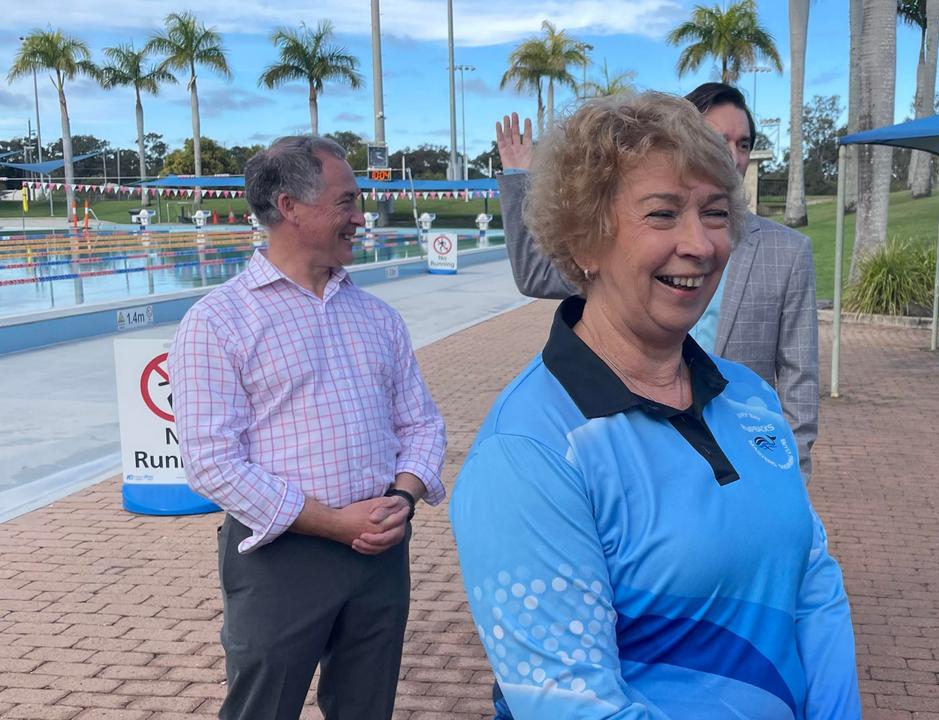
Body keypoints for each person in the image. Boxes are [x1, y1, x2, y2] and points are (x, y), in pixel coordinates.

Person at [452, 93, 859, 719]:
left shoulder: (749, 397)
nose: (700, 244)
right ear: (586, 240)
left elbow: (814, 586)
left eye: (716, 213)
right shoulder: (529, 453)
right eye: (663, 214)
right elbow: (577, 707)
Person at [169, 135, 447, 720]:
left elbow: (421, 423)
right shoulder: (218, 322)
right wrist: (332, 522)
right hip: (282, 557)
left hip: (380, 549)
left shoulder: (377, 316)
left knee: (366, 707)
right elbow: (212, 462)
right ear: (290, 206)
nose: (359, 215)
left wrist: (400, 497)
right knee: (263, 708)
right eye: (346, 201)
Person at [496, 82, 820, 477]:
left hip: (742, 457)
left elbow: (799, 377)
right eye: (717, 141)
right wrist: (518, 177)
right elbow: (538, 273)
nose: (731, 156)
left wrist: (791, 475)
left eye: (744, 144)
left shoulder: (751, 389)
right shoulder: (544, 441)